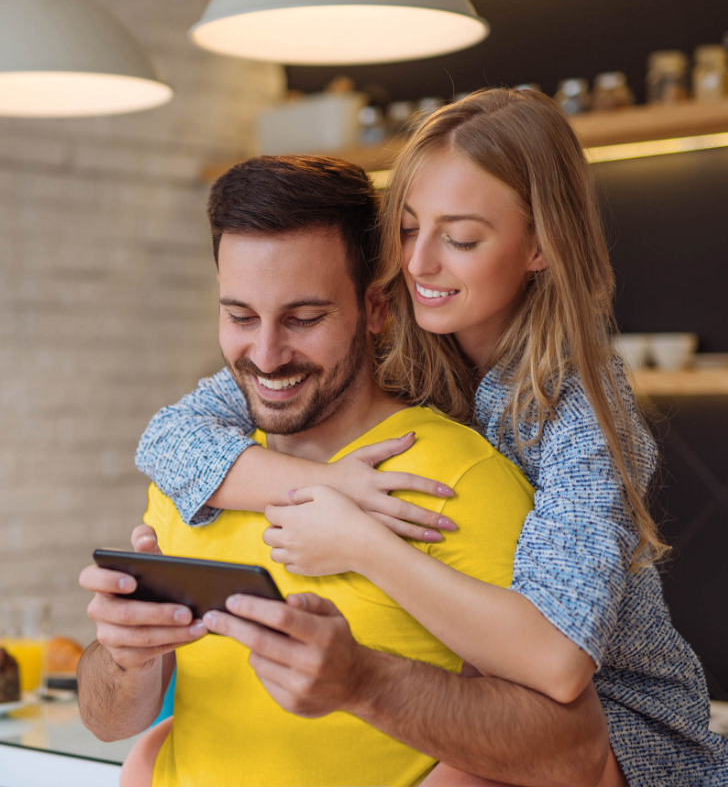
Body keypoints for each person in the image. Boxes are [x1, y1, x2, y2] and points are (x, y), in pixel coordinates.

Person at [136, 90, 728, 786]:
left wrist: (362, 542)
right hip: (472, 676)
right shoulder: (382, 341)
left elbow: (559, 660)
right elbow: (171, 437)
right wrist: (328, 485)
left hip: (611, 715)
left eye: (461, 239)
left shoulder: (583, 407)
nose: (420, 265)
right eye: (407, 230)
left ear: (540, 246)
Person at [77, 155, 613, 787]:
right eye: (241, 316)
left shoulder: (456, 479)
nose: (268, 355)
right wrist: (125, 660)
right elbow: (108, 721)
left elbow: (571, 753)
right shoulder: (202, 471)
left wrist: (362, 682)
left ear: (377, 309)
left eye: (305, 318)